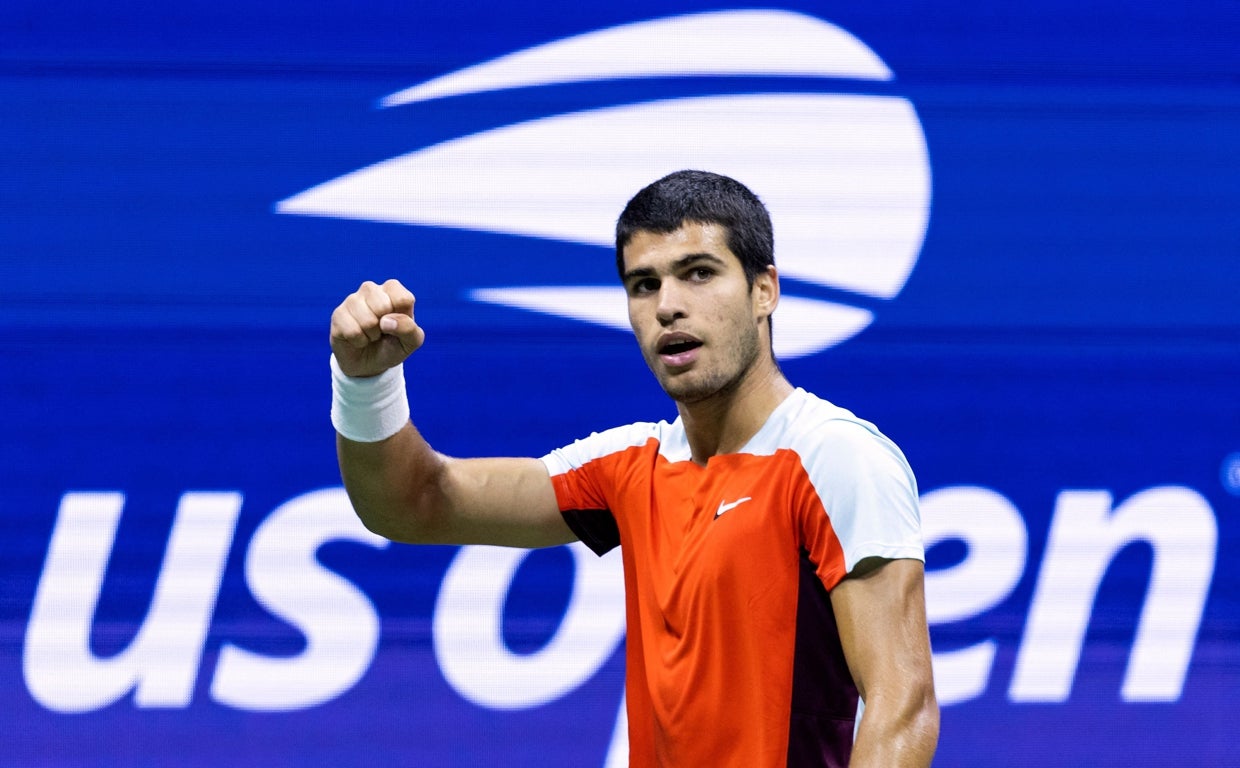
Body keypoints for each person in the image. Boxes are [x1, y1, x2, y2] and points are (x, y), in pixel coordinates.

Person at [328, 170, 939, 767]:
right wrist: (365, 382)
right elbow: (414, 502)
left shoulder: (838, 457)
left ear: (764, 291)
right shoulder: (629, 465)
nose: (668, 306)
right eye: (644, 284)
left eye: (699, 273)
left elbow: (902, 707)